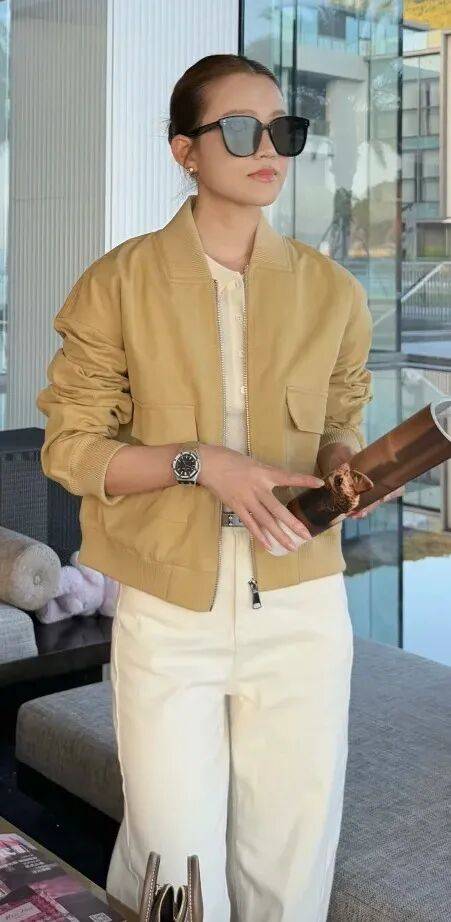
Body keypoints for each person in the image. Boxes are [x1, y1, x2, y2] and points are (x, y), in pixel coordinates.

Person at [36, 52, 396, 922]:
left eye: (282, 130)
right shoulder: (116, 284)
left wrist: (347, 466)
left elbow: (340, 415)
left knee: (290, 861)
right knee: (174, 859)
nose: (266, 147)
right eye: (240, 129)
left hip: (303, 611)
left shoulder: (332, 293)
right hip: (170, 616)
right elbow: (72, 449)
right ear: (184, 150)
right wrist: (203, 463)